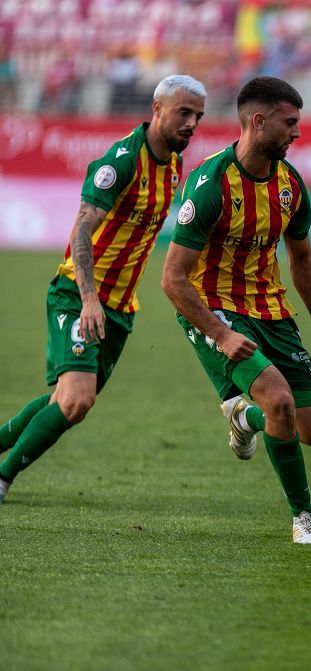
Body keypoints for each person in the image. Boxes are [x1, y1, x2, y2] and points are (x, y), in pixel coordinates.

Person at [0, 75, 207, 504]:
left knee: (65, 400)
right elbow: (81, 231)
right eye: (183, 113)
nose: (191, 123)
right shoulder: (121, 161)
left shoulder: (174, 164)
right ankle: (2, 479)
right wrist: (89, 299)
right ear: (157, 109)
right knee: (77, 401)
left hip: (120, 309)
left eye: (198, 116)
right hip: (79, 294)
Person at [161, 76, 311, 545]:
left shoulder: (290, 184)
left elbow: (302, 257)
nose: (297, 134)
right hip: (215, 307)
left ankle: (244, 418)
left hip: (272, 309)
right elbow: (172, 279)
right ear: (258, 122)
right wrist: (220, 334)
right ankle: (304, 517)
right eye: (290, 123)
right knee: (279, 400)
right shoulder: (211, 184)